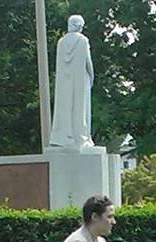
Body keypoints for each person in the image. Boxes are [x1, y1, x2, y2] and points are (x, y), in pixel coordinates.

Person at [48, 14, 95, 149]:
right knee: (81, 109)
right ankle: (82, 138)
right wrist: (91, 76)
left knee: (64, 107)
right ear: (79, 26)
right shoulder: (83, 41)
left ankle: (63, 137)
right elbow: (87, 61)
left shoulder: (61, 42)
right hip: (81, 81)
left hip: (64, 83)